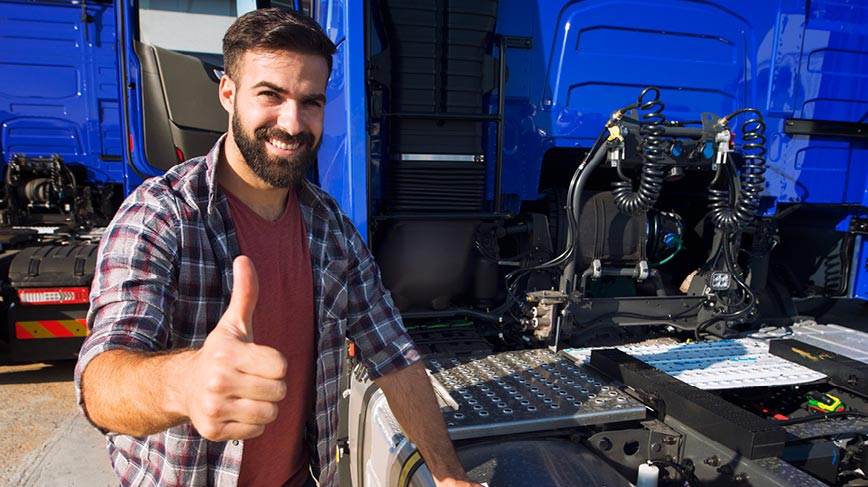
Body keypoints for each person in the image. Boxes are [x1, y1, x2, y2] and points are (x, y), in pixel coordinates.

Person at [75, 8, 481, 487]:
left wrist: (449, 475)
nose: (292, 123)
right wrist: (184, 384)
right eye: (271, 95)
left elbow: (395, 357)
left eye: (311, 101)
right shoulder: (161, 216)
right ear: (227, 93)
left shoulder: (330, 228)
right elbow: (101, 382)